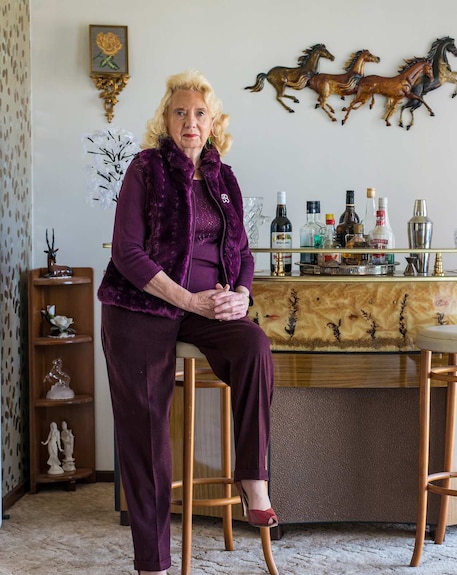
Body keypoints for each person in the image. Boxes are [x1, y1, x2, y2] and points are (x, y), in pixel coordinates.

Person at [97, 70, 276, 575]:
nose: (190, 121)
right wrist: (188, 301)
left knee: (254, 348)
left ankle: (252, 479)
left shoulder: (225, 178)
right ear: (166, 119)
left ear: (214, 121)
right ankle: (152, 562)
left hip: (206, 306)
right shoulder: (145, 169)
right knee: (146, 429)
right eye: (180, 112)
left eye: (200, 113)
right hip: (141, 306)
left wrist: (239, 296)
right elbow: (128, 253)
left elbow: (241, 252)